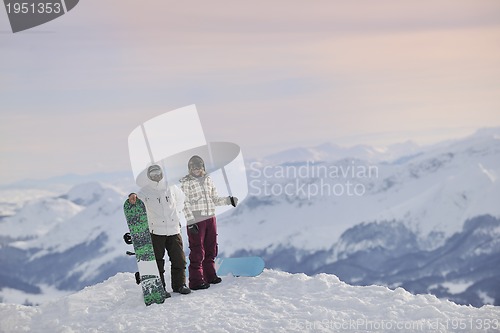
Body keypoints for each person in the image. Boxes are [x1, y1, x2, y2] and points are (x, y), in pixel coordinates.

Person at [131, 164, 191, 295]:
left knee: (179, 260)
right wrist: (132, 195)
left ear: (162, 173)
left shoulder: (171, 187)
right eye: (153, 174)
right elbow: (136, 202)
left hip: (174, 230)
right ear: (149, 176)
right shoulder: (145, 191)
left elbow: (181, 199)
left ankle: (180, 285)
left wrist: (177, 215)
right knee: (158, 262)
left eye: (158, 173)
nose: (156, 176)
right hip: (156, 232)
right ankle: (160, 288)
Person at [180, 155, 238, 290]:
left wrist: (229, 200)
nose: (196, 170)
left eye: (198, 167)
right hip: (196, 219)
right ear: (189, 169)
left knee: (211, 248)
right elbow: (185, 203)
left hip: (210, 217)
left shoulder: (208, 180)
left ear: (203, 168)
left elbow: (215, 199)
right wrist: (190, 221)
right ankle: (195, 281)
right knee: (198, 250)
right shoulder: (186, 183)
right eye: (193, 168)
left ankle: (210, 275)